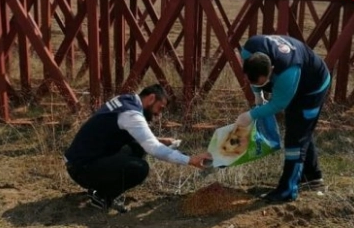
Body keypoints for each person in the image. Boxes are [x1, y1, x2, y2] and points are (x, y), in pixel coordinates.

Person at [64, 84, 211, 213]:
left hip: (82, 160)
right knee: (139, 168)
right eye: (160, 108)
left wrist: (159, 140)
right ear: (151, 98)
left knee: (138, 147)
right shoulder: (131, 113)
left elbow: (128, 134)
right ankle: (101, 195)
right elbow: (154, 149)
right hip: (82, 168)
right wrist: (190, 160)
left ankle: (101, 187)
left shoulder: (125, 100)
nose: (158, 114)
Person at [235, 34, 332, 203]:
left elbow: (278, 105)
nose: (259, 85)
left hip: (312, 88)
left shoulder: (287, 72)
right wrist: (258, 95)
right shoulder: (250, 50)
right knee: (300, 130)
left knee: (295, 138)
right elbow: (253, 79)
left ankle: (288, 190)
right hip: (296, 82)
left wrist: (251, 115)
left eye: (262, 82)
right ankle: (312, 177)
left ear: (271, 69)